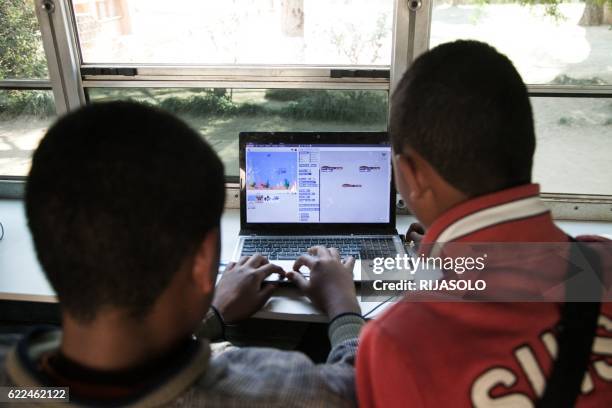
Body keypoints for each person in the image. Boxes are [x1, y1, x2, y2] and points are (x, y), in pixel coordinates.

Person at [0, 101, 365, 407]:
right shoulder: (279, 391)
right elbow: (364, 387)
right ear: (204, 259)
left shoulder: (14, 385)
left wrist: (214, 316)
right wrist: (343, 306)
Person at [354, 40, 612, 407]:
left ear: (412, 175)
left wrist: (342, 309)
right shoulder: (600, 261)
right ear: (526, 146)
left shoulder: (399, 343)